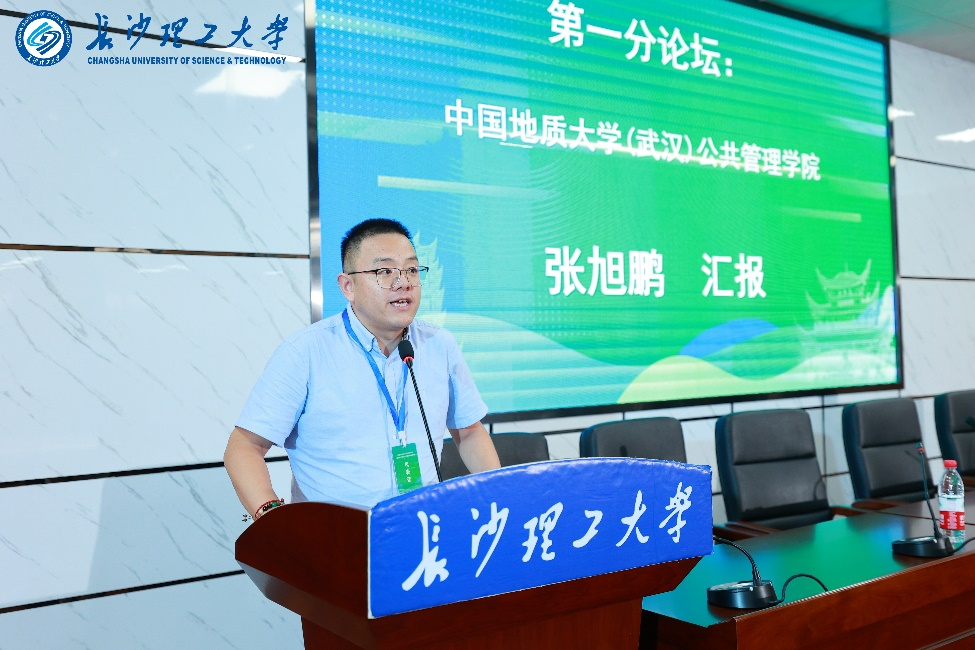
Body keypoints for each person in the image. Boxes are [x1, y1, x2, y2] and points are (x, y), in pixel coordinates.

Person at [224, 218, 500, 519]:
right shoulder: (305, 352)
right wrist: (274, 520)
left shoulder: (439, 344)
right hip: (335, 537)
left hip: (420, 529)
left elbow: (469, 432)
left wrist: (501, 501)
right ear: (348, 286)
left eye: (411, 270)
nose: (403, 282)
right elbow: (244, 447)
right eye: (385, 271)